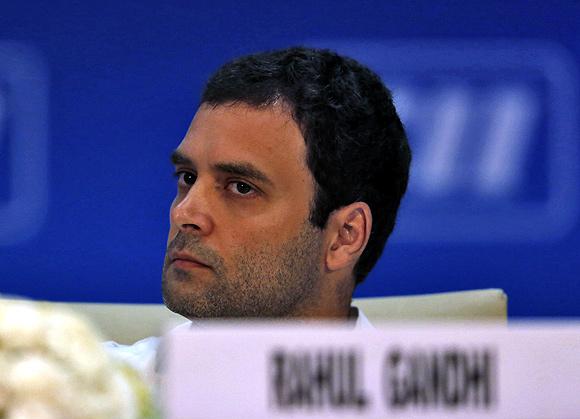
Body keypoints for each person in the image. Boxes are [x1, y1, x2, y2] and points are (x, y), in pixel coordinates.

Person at [106, 46, 411, 379]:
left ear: (344, 237)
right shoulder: (89, 397)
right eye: (188, 178)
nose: (185, 212)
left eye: (241, 187)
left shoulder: (435, 408)